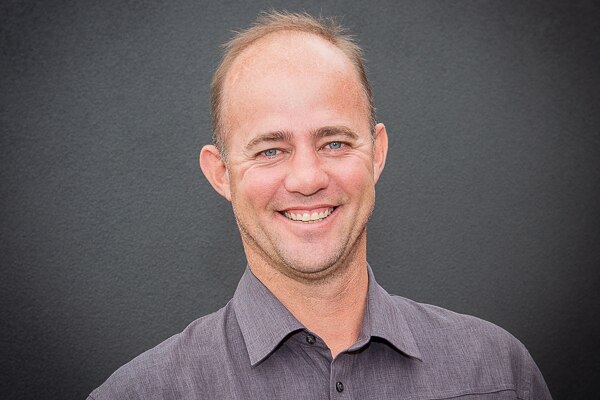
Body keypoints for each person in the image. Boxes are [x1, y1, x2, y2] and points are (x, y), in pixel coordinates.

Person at [88, 11, 552, 399]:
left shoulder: (498, 375)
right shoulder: (140, 392)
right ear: (221, 174)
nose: (308, 178)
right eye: (270, 150)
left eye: (333, 142)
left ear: (377, 154)